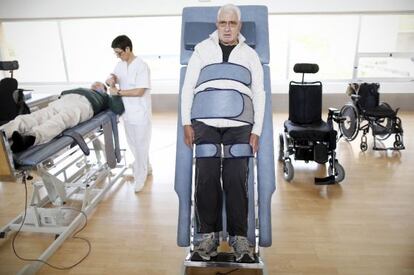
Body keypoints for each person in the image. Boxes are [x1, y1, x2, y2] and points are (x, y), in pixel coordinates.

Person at [181, 4, 265, 263]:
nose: (227, 28)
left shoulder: (249, 55)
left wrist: (257, 130)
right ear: (216, 25)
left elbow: (260, 93)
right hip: (205, 123)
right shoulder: (202, 50)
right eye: (222, 23)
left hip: (240, 125)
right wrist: (186, 122)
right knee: (205, 177)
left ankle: (240, 237)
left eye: (233, 23)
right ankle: (207, 237)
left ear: (240, 26)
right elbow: (188, 88)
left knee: (236, 178)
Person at [1, 82, 120, 153]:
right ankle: (4, 132)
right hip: (63, 100)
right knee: (34, 117)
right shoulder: (81, 89)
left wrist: (112, 88)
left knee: (60, 120)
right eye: (94, 84)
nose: (95, 85)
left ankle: (29, 138)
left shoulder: (104, 97)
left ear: (104, 90)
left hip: (84, 104)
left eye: (99, 85)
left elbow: (117, 105)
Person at [106, 35, 152, 193]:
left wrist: (117, 91)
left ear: (128, 49)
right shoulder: (120, 64)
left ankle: (141, 176)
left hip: (140, 113)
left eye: (120, 53)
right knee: (134, 143)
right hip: (127, 113)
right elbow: (114, 77)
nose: (118, 56)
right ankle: (146, 165)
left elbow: (140, 91)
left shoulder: (141, 66)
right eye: (116, 54)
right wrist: (110, 79)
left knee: (140, 145)